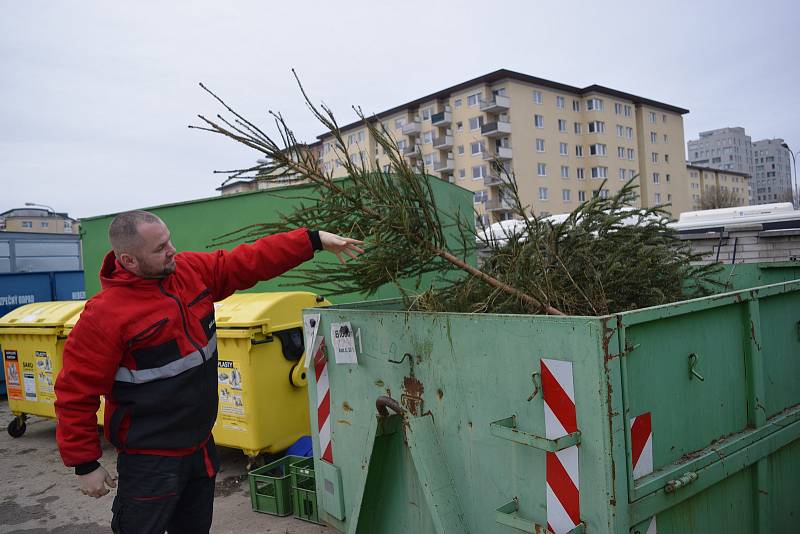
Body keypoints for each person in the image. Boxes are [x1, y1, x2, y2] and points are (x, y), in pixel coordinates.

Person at [54, 210, 363, 534]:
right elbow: (75, 392)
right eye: (160, 248)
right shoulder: (104, 317)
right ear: (129, 261)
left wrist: (313, 240)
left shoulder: (189, 272)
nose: (172, 249)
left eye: (168, 240)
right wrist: (85, 464)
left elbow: (248, 261)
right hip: (150, 461)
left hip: (200, 447)